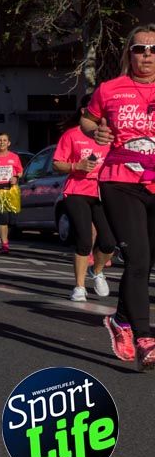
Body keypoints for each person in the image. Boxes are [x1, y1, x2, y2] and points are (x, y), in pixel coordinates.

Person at [83, 24, 155, 368]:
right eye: (140, 48)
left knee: (148, 261)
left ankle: (121, 320)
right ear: (130, 53)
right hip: (120, 180)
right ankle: (145, 338)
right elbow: (87, 121)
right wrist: (96, 130)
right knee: (138, 260)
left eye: (153, 49)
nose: (147, 55)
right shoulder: (110, 89)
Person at [51, 112, 114, 302]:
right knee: (84, 240)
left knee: (109, 242)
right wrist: (76, 166)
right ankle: (79, 287)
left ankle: (96, 271)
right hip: (77, 192)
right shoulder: (71, 135)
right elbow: (56, 164)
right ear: (84, 113)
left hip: (102, 192)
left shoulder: (112, 136)